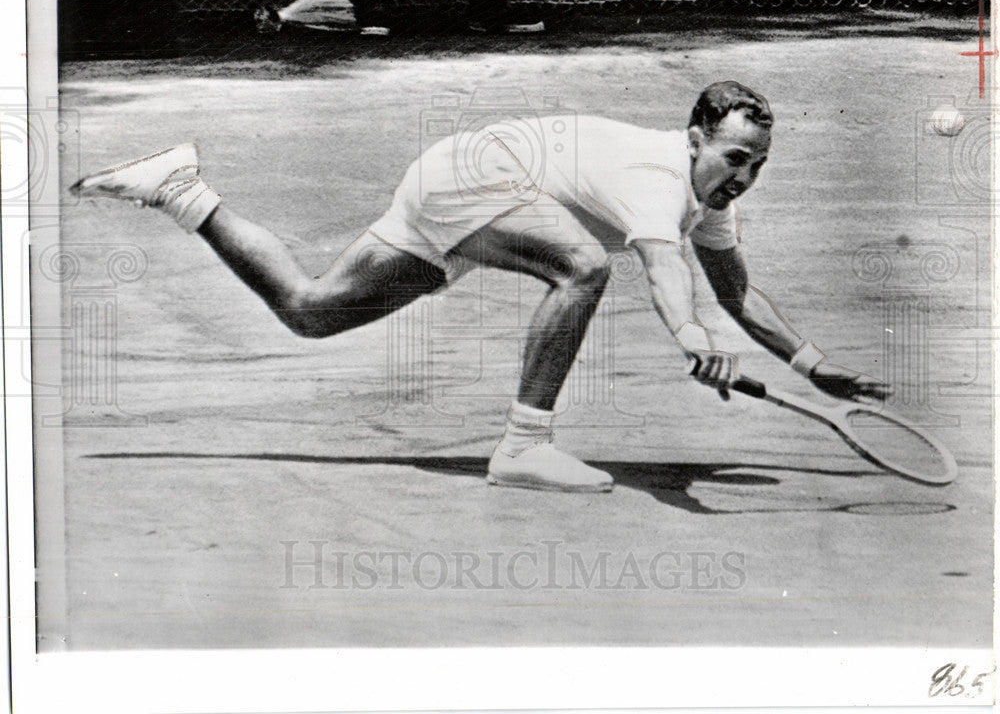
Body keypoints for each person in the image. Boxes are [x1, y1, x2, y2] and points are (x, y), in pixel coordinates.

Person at [70, 81, 889, 493]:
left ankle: (179, 191)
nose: (744, 176)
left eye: (758, 165)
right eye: (734, 158)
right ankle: (524, 445)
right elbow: (663, 269)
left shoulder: (707, 199)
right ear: (696, 140)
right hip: (479, 179)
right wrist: (693, 340)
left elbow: (738, 293)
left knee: (310, 311)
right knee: (585, 266)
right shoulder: (659, 178)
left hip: (466, 187)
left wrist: (814, 366)